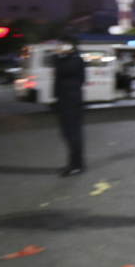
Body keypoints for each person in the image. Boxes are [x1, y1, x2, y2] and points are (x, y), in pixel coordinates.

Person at [53, 35, 85, 176]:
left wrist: (56, 55)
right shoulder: (68, 59)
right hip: (65, 99)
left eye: (64, 44)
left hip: (71, 100)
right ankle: (73, 163)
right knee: (67, 133)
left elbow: (61, 70)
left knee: (72, 133)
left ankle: (76, 165)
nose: (60, 47)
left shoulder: (75, 59)